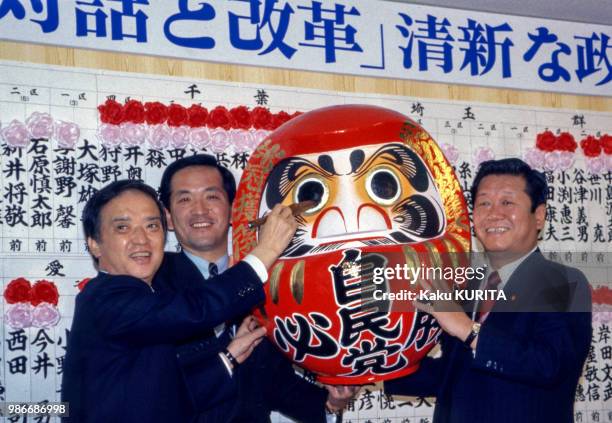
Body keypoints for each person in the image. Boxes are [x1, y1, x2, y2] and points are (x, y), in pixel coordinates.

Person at [62, 179, 298, 422]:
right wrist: (267, 250)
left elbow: (162, 397)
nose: (141, 239)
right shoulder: (105, 297)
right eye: (123, 228)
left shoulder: (142, 300)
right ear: (94, 244)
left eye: (152, 225)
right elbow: (194, 310)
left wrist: (230, 356)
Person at [154, 154, 359, 423]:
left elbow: (277, 382)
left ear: (233, 210)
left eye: (212, 196)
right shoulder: (151, 284)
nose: (199, 209)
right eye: (184, 199)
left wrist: (331, 403)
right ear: (167, 217)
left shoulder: (271, 281)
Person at [384, 158, 592, 423]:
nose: (494, 214)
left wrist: (466, 328)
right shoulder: (464, 285)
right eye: (483, 203)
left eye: (507, 202)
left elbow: (550, 366)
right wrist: (374, 368)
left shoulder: (563, 282)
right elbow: (451, 374)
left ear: (538, 216)